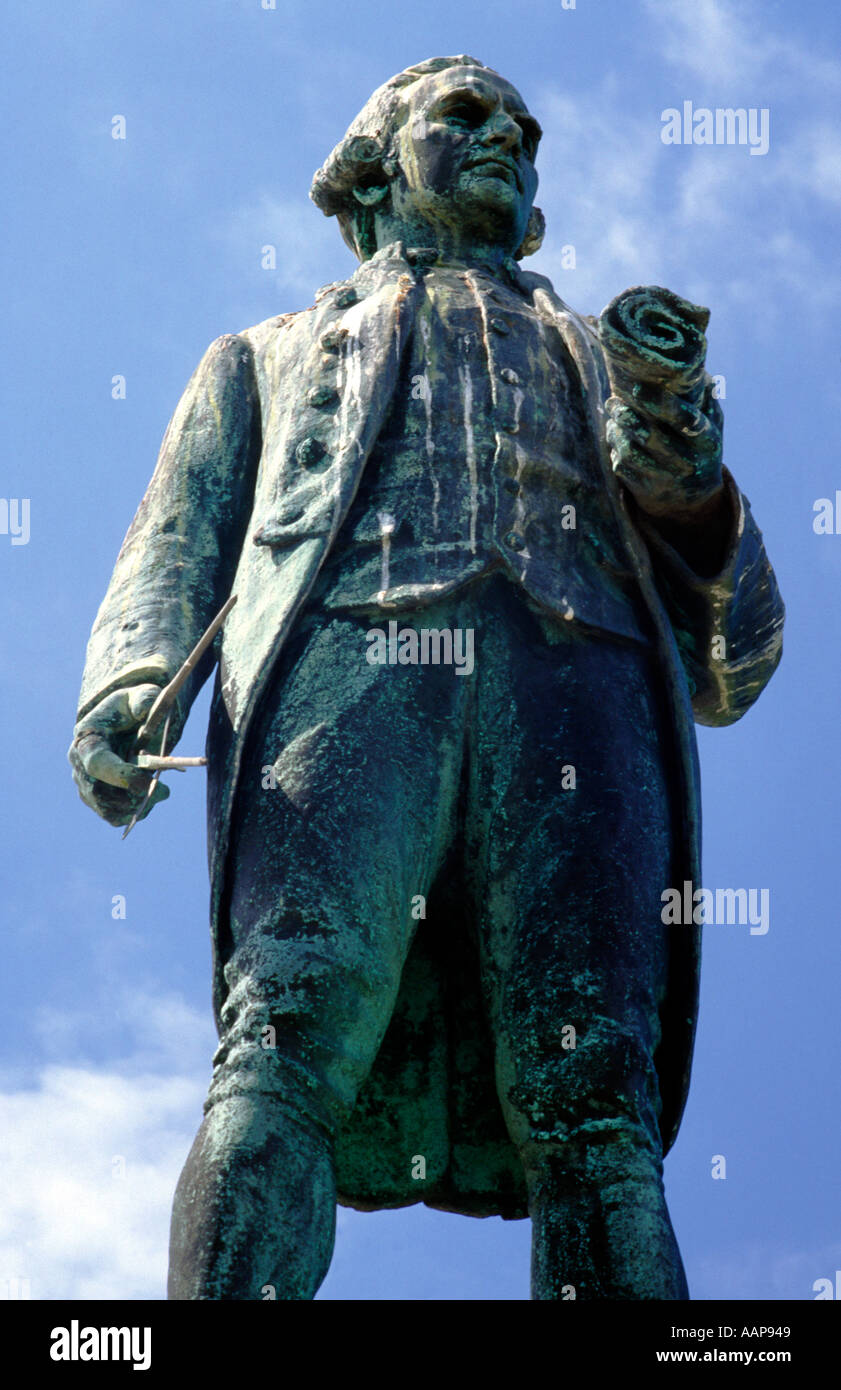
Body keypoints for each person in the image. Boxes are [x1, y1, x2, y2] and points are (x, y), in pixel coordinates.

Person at [69, 55, 784, 1300]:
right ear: (371, 169)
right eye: (464, 115)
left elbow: (737, 660)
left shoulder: (597, 360)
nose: (504, 135)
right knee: (284, 1037)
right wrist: (129, 685)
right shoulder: (268, 351)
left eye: (522, 128)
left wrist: (683, 482)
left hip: (582, 692)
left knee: (595, 1099)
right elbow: (179, 530)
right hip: (351, 679)